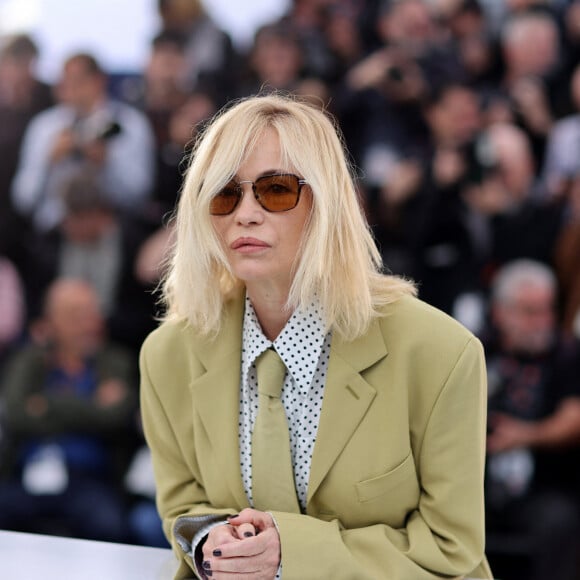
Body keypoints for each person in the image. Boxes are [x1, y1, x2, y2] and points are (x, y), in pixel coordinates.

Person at [139, 94, 492, 579]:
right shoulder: (167, 356)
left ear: (326, 203)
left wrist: (291, 554)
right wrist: (207, 540)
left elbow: (451, 546)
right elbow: (184, 507)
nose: (245, 214)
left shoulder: (441, 354)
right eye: (224, 193)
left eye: (276, 189)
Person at [0, 278, 138, 542]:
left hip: (90, 481)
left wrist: (46, 404)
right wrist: (89, 406)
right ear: (51, 323)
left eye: (92, 314)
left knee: (111, 526)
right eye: (76, 316)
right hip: (25, 478)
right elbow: (16, 414)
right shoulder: (30, 361)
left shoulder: (116, 361)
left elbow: (115, 416)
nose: (88, 324)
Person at [481, 259, 580, 580]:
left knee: (560, 520)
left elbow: (574, 419)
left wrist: (524, 436)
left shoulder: (567, 355)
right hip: (479, 484)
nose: (542, 321)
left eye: (547, 309)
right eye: (529, 311)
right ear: (500, 312)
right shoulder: (477, 350)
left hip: (542, 489)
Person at [11, 52, 155, 232]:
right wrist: (48, 161)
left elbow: (139, 196)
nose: (70, 91)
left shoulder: (129, 124)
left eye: (78, 82)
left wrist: (107, 163)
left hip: (110, 227)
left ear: (99, 81)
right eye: (64, 84)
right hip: (55, 231)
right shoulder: (44, 127)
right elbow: (23, 200)